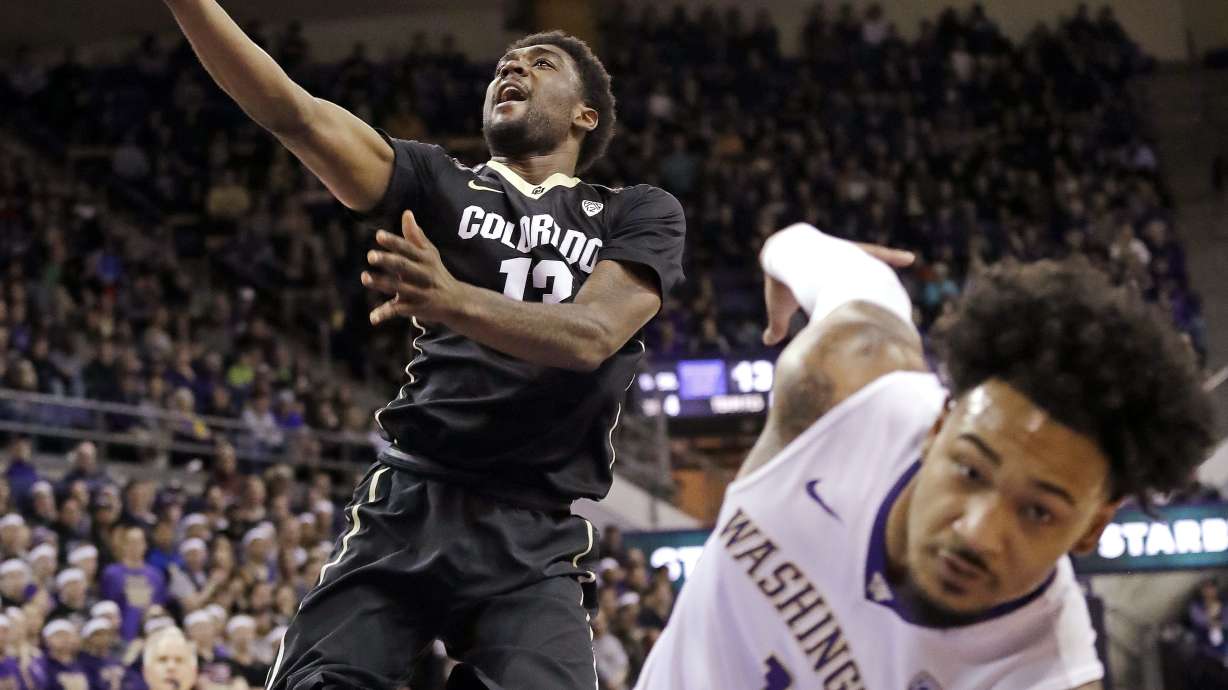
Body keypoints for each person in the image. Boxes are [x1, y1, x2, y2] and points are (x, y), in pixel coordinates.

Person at [163, 1, 685, 688]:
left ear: (584, 116)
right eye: (505, 64)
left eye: (540, 63)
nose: (512, 68)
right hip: (412, 496)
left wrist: (452, 300)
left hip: (532, 530)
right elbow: (294, 112)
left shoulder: (634, 212)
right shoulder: (440, 181)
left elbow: (593, 336)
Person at [636, 223, 1215, 690]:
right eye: (970, 471)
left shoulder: (1041, 675)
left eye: (1038, 511)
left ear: (1092, 526)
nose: (978, 532)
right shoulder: (848, 386)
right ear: (939, 425)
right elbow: (810, 251)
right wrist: (794, 252)